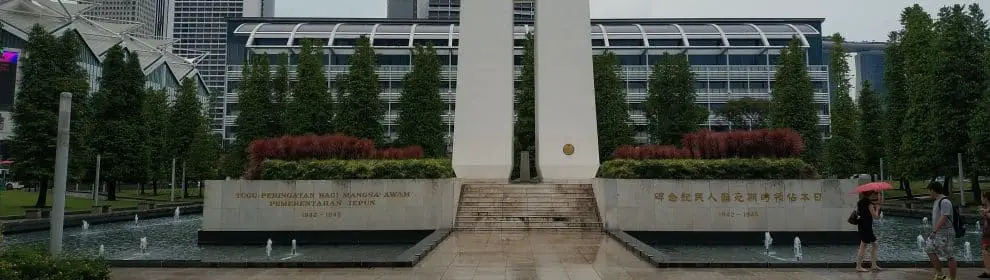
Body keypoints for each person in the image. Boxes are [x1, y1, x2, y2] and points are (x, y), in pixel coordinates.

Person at [926, 182, 956, 280]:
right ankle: (940, 274)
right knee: (929, 249)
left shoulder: (945, 202)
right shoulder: (937, 201)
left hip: (946, 232)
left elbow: (944, 218)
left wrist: (934, 231)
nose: (929, 193)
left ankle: (952, 278)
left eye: (929, 190)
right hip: (938, 232)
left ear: (933, 190)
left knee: (949, 255)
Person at [855, 190, 882, 272]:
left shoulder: (860, 202)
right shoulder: (869, 203)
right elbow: (875, 217)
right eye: (873, 194)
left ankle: (873, 265)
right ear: (869, 194)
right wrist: (877, 209)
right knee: (863, 246)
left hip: (862, 225)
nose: (874, 195)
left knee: (874, 244)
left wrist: (879, 200)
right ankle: (858, 266)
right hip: (867, 227)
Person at [979, 192, 990, 278]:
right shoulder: (986, 208)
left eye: (982, 197)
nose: (981, 199)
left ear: (986, 198)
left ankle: (988, 271)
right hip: (986, 232)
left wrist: (985, 213)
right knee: (985, 250)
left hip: (988, 233)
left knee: (985, 251)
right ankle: (987, 271)